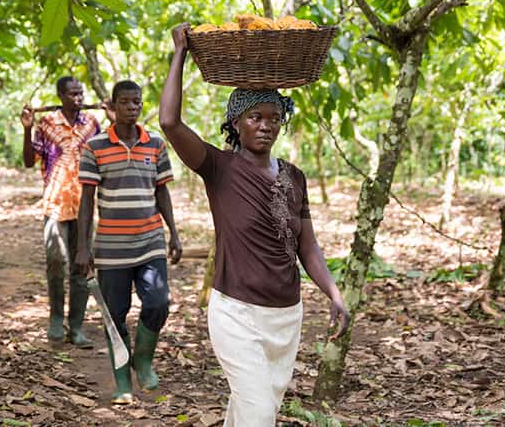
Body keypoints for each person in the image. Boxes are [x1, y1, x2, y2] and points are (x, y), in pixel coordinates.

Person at [158, 23, 350, 426]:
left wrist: (333, 292)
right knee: (260, 413)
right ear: (236, 123)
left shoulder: (294, 177)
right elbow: (170, 123)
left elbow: (307, 247)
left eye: (274, 118)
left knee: (251, 410)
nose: (266, 125)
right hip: (236, 313)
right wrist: (180, 53)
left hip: (286, 316)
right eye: (254, 117)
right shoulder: (219, 168)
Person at [75, 80, 182, 405]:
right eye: (125, 102)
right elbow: (86, 200)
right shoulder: (94, 147)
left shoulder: (156, 145)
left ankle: (143, 361)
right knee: (115, 316)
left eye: (136, 102)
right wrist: (83, 247)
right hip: (111, 249)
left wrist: (174, 233)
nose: (132, 107)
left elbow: (162, 191)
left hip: (150, 243)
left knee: (158, 304)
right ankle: (123, 382)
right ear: (113, 105)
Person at [21, 76, 101, 347]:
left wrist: (114, 120)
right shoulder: (47, 124)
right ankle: (56, 318)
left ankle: (76, 326)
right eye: (72, 94)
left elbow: (105, 156)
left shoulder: (91, 124)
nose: (78, 98)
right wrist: (27, 129)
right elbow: (29, 161)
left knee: (82, 264)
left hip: (84, 206)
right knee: (56, 262)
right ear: (60, 95)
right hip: (54, 203)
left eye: (81, 93)